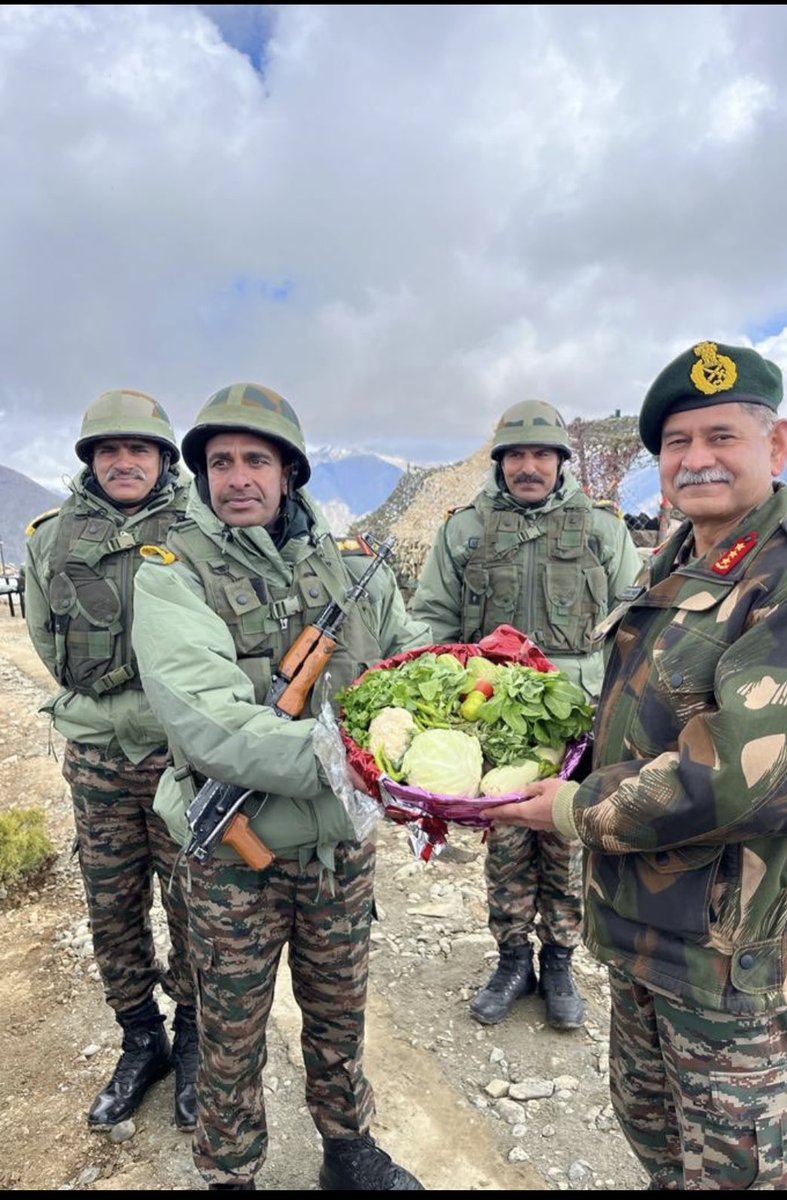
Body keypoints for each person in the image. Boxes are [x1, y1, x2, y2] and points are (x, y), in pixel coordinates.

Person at [482, 341, 787, 1190]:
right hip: (641, 933)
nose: (695, 460)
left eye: (720, 438)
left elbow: (734, 776)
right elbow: (630, 713)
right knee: (660, 1149)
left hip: (724, 961)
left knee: (733, 1175)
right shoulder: (683, 563)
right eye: (675, 445)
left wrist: (563, 806)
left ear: (775, 447)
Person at [130, 383, 430, 1192]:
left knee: (339, 1014)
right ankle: (230, 1171)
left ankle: (347, 1146)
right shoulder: (170, 571)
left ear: (289, 472)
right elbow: (209, 725)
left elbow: (412, 667)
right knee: (231, 1034)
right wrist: (356, 765)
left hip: (338, 847)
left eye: (255, 460)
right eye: (220, 461)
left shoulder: (351, 566)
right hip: (234, 857)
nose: (236, 477)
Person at [410, 399, 643, 1030]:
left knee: (565, 838)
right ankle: (513, 958)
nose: (529, 466)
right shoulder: (467, 531)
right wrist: (422, 694)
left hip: (577, 721)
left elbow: (637, 623)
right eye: (516, 455)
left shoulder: (601, 530)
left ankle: (561, 961)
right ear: (500, 462)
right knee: (509, 841)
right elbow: (432, 617)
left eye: (542, 454)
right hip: (497, 717)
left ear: (561, 461)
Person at [23, 390, 198, 1131]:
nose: (124, 461)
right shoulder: (51, 537)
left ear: (163, 459)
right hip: (96, 758)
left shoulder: (201, 528)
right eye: (109, 450)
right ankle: (141, 1042)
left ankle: (193, 1042)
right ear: (90, 461)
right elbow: (41, 631)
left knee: (195, 903)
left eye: (140, 449)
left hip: (181, 756)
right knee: (111, 904)